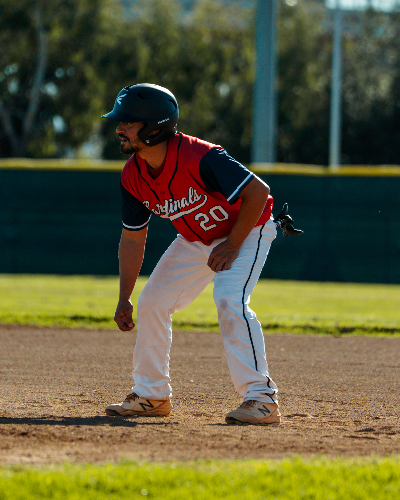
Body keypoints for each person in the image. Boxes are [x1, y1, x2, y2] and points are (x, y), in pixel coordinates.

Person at [102, 83, 298, 425]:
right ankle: (151, 395)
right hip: (197, 238)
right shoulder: (133, 175)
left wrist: (233, 244)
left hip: (248, 228)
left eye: (128, 122)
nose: (119, 128)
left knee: (229, 298)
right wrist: (124, 297)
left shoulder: (201, 156)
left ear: (153, 128)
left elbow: (258, 192)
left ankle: (262, 399)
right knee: (152, 303)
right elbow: (133, 239)